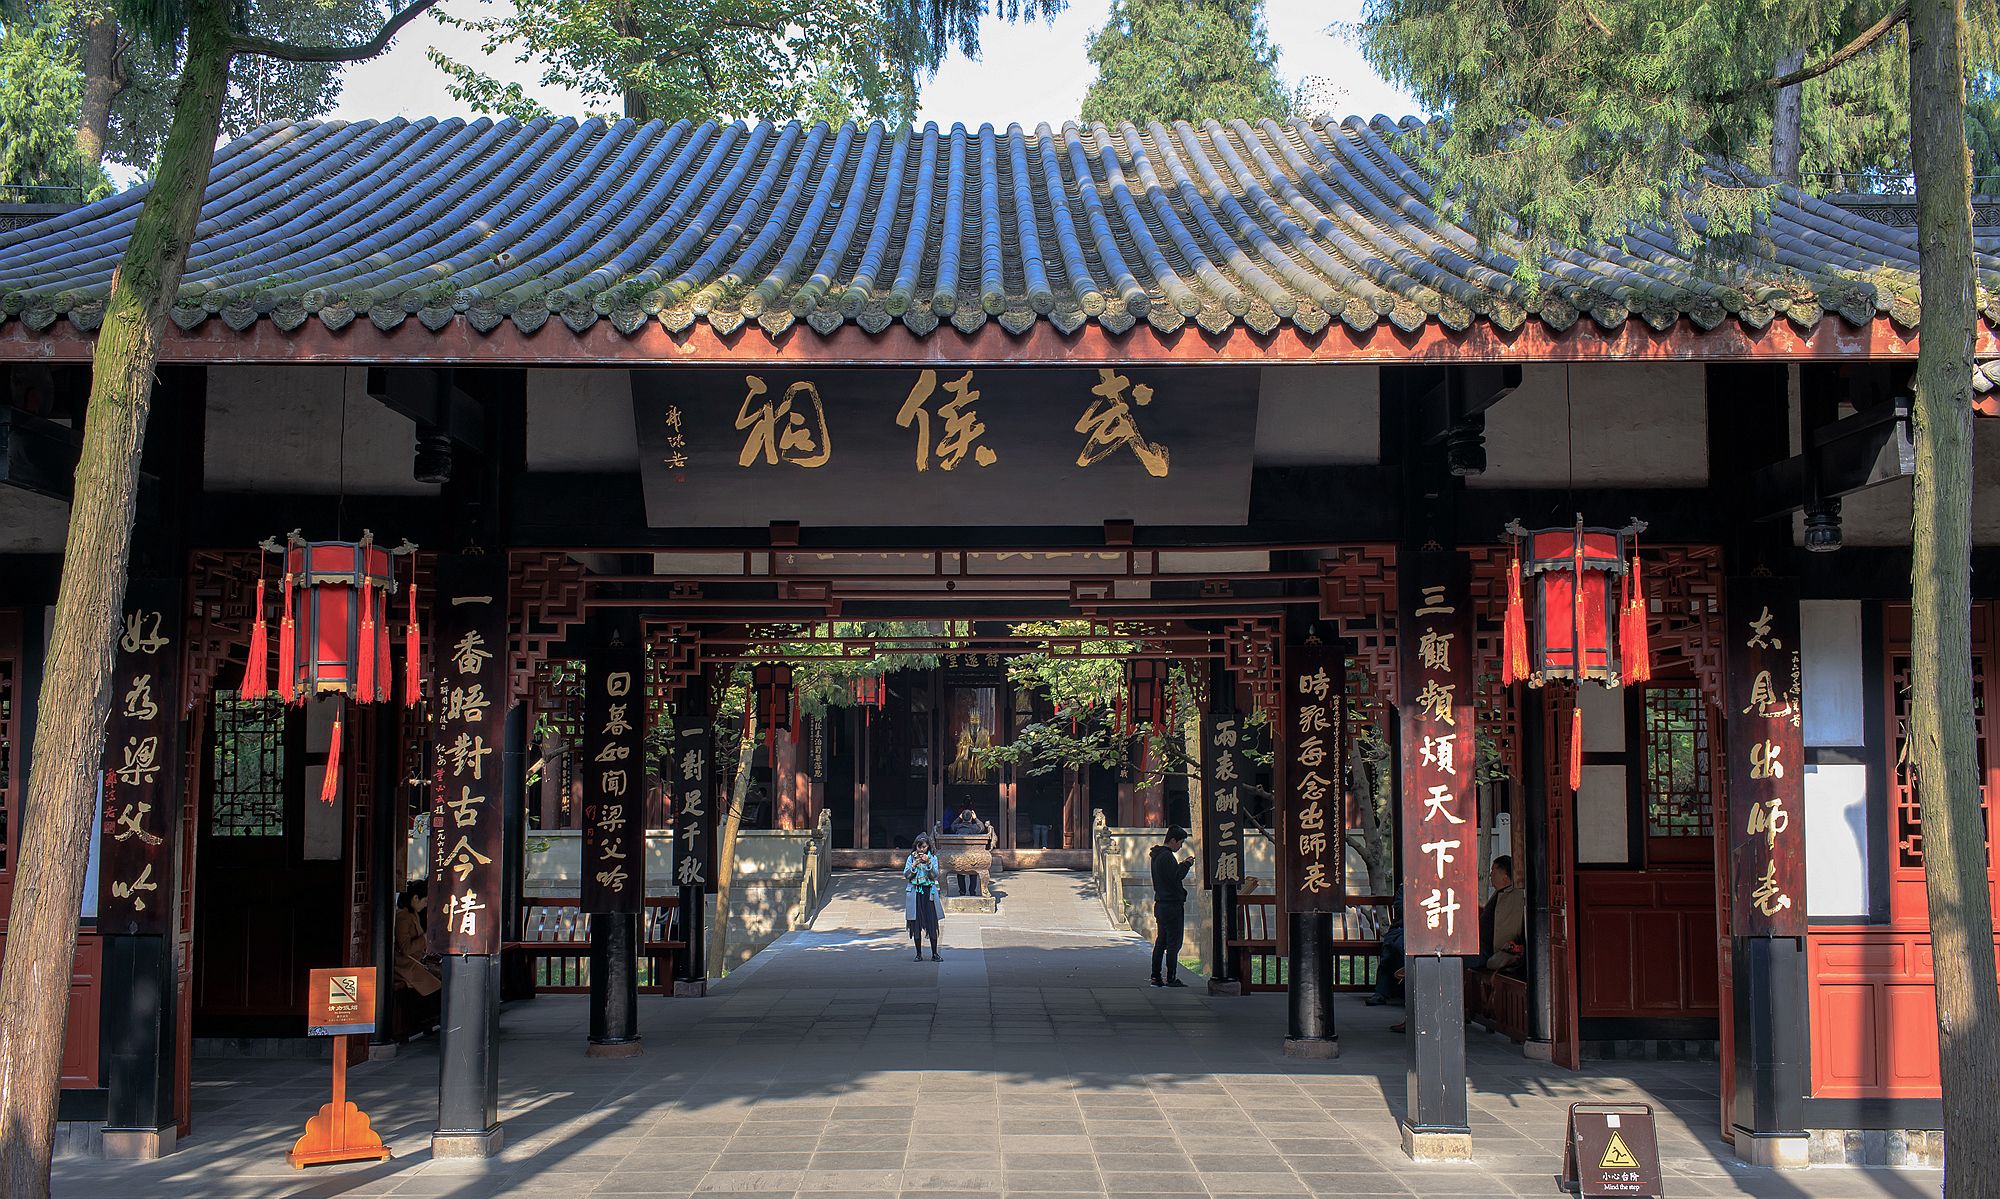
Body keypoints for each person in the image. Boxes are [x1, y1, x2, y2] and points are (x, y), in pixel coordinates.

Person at [392, 880, 441, 1041]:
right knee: (434, 983)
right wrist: (425, 938)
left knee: (438, 977)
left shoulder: (412, 915)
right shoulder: (403, 918)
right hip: (405, 965)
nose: (426, 904)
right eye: (425, 900)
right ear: (415, 898)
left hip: (414, 962)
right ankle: (425, 1021)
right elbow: (405, 948)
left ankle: (429, 1020)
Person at [1149, 826, 1194, 988]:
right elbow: (1176, 876)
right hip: (1171, 905)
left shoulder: (1157, 855)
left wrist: (1181, 864)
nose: (1180, 846)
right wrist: (1186, 864)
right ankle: (1171, 977)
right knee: (1174, 943)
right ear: (1173, 840)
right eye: (1180, 842)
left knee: (1161, 941)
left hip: (1161, 903)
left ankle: (1156, 976)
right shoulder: (1167, 856)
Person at [904, 834, 944, 961]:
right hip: (915, 892)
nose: (921, 850)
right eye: (919, 847)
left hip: (928, 892)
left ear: (928, 847)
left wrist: (928, 863)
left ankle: (934, 953)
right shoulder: (911, 858)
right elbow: (906, 874)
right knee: (916, 923)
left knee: (931, 922)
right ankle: (918, 954)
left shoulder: (933, 858)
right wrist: (914, 865)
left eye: (924, 847)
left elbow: (935, 875)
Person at [1484, 855, 1526, 974]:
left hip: (1496, 950)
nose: (1491, 875)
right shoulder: (1498, 894)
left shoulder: (1517, 896)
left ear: (1505, 876)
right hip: (1485, 947)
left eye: (1494, 871)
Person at [1366, 886, 1405, 1007]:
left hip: (1427, 929)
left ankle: (1406, 972)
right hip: (1402, 928)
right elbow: (1400, 908)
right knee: (1391, 946)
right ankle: (1381, 993)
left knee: (1401, 944)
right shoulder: (1405, 888)